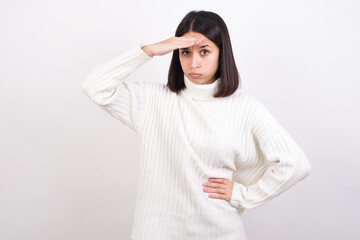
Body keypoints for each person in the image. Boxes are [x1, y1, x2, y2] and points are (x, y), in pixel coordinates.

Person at [82, 10, 311, 240]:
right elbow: (95, 86)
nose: (194, 63)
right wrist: (149, 51)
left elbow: (296, 164)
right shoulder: (152, 101)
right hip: (156, 232)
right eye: (185, 52)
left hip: (220, 232)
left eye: (204, 51)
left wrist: (243, 195)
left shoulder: (245, 107)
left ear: (221, 53)